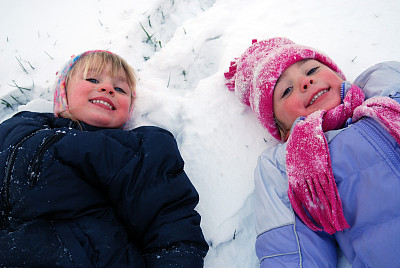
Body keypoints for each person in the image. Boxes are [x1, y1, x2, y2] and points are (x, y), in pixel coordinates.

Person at [0, 50, 208, 267]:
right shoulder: (19, 128)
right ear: (63, 92)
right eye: (92, 79)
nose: (107, 88)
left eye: (119, 89)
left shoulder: (137, 148)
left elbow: (169, 221)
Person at [225, 37, 400, 267]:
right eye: (286, 90)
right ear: (282, 128)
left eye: (312, 69)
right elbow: (292, 250)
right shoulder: (290, 164)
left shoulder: (384, 86)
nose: (305, 82)